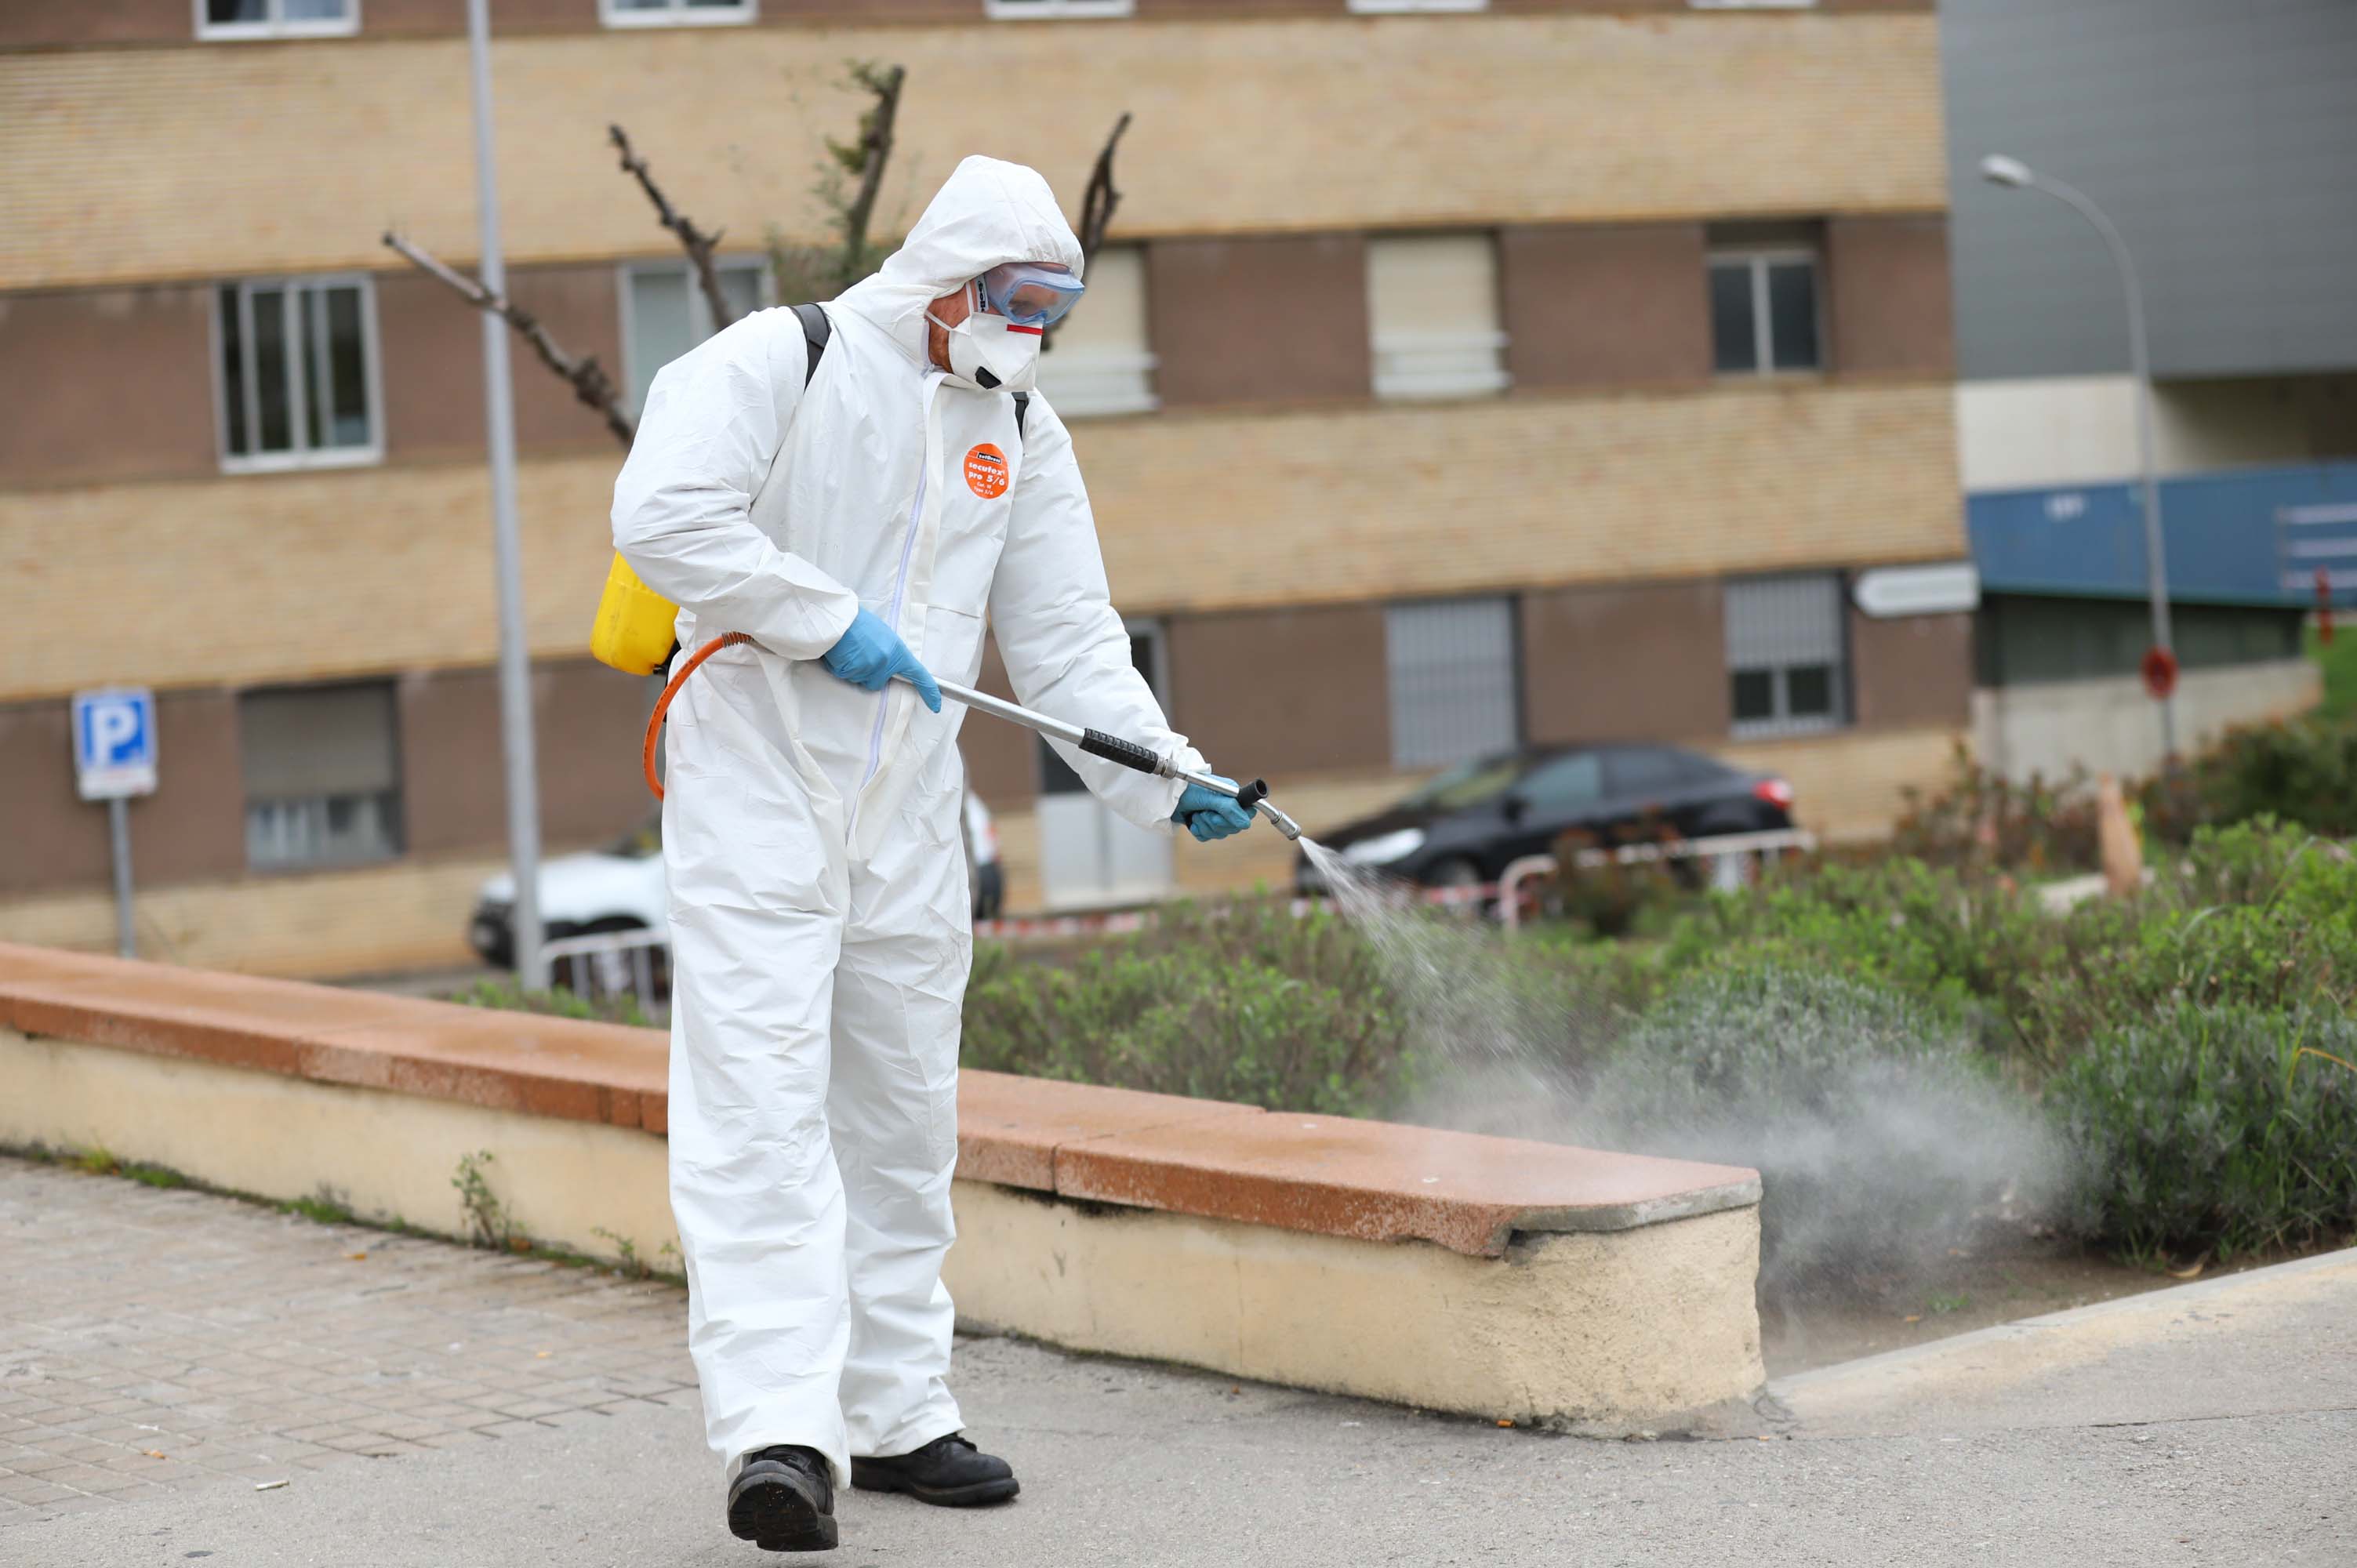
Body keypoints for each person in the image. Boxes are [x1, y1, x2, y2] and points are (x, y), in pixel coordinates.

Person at [611, 155, 1255, 1554]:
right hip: (757, 777)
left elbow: (1072, 642)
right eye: (1017, 299)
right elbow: (660, 516)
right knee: (762, 1106)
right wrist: (813, 614)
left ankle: (897, 1412)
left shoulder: (1019, 426)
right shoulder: (782, 357)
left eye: (1053, 308)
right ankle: (783, 1434)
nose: (1032, 328)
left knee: (903, 1115)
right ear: (946, 276)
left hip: (908, 799)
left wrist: (1168, 780)